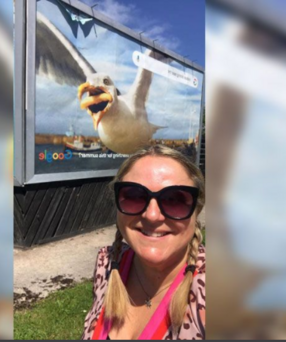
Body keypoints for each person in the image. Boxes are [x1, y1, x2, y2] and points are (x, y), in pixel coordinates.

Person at [82, 145, 205, 340]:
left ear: (196, 210)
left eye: (174, 200)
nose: (152, 215)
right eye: (134, 196)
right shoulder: (107, 264)